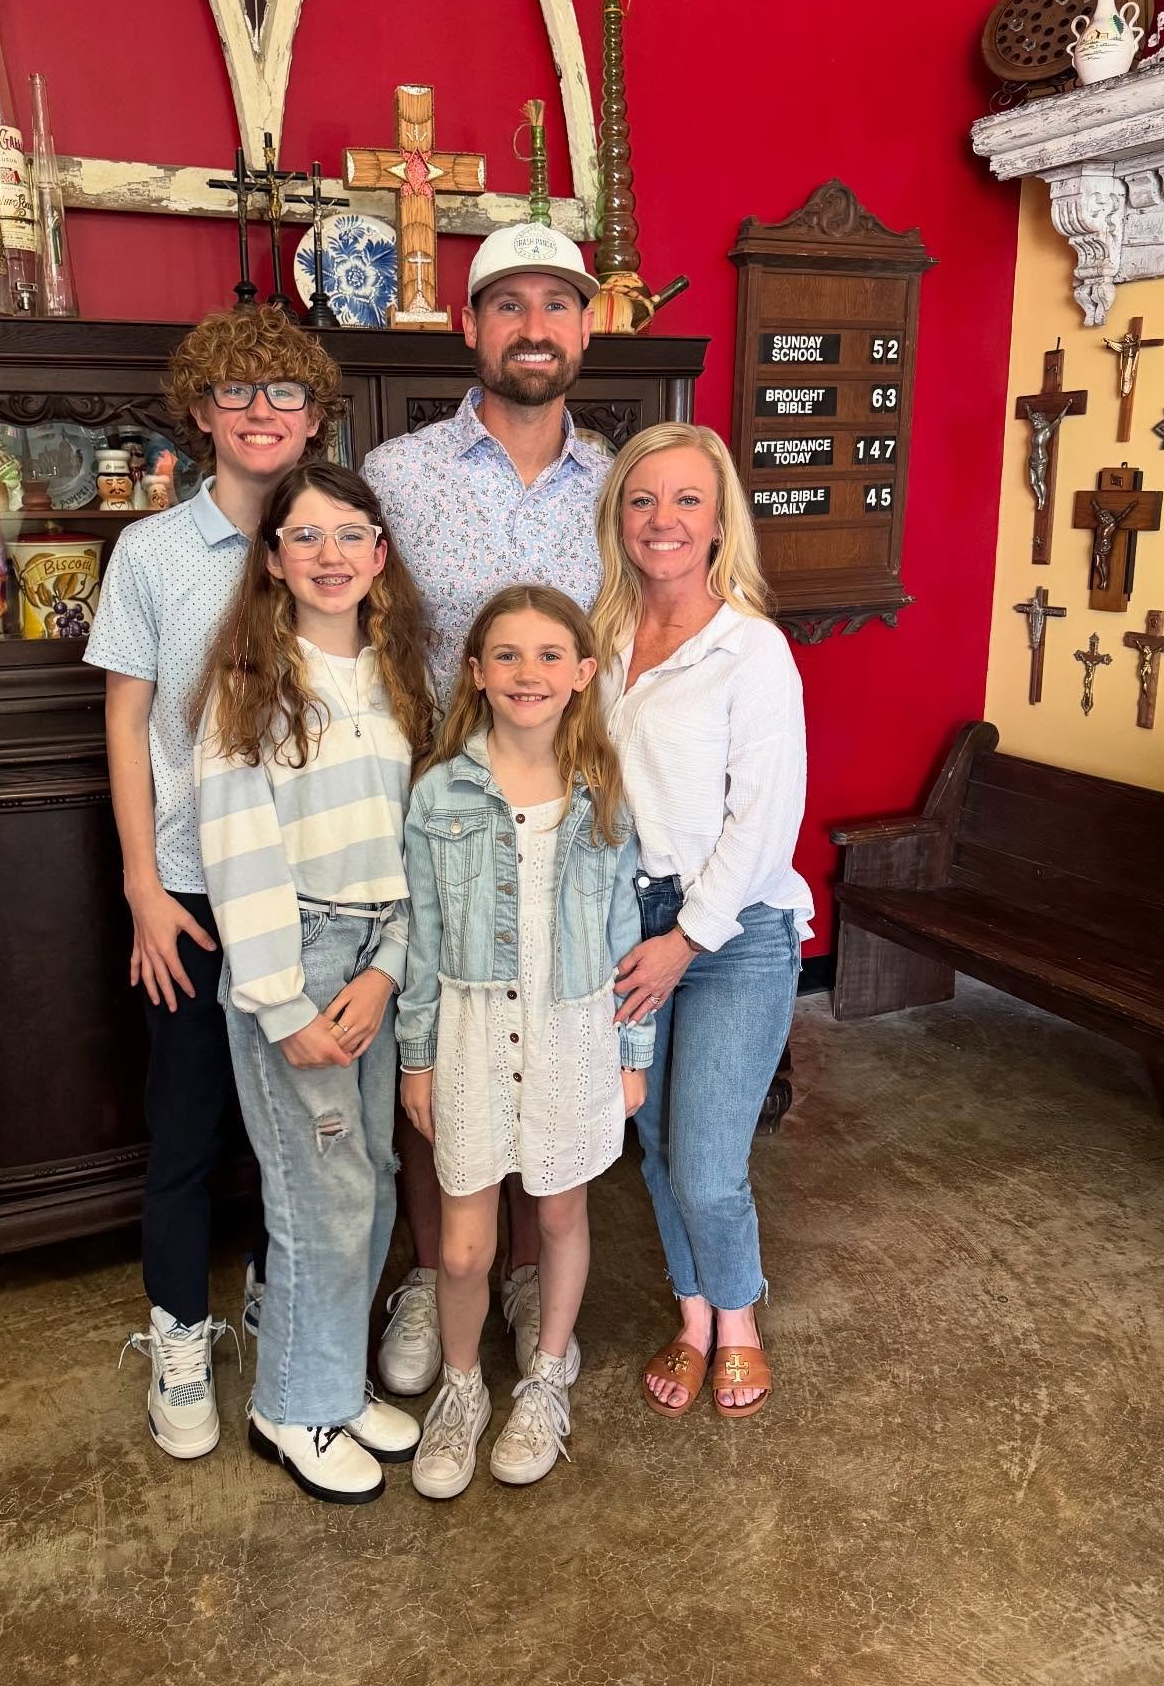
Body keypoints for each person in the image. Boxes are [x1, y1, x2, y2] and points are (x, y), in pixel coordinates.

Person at [87, 306, 341, 1459]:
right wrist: (143, 885)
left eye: (283, 393)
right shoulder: (151, 554)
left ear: (314, 416)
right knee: (187, 1123)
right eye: (235, 393)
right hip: (190, 889)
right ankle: (180, 1335)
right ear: (201, 413)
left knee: (304, 1128)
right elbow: (126, 719)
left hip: (309, 887)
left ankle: (286, 1308)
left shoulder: (331, 545)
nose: (260, 412)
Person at [361, 223, 605, 1398]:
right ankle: (434, 1267)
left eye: (557, 304)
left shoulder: (616, 488)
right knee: (447, 1050)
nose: (534, 327)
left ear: (587, 329)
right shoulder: (398, 476)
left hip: (565, 812)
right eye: (509, 304)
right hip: (436, 808)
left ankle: (516, 1273)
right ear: (470, 326)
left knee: (541, 1040)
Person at [193, 461, 435, 1503]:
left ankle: (332, 1378)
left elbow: (416, 839)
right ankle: (293, 1407)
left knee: (368, 1180)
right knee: (317, 1198)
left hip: (375, 957)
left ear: (380, 555)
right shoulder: (252, 680)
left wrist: (388, 967)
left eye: (349, 535)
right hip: (292, 957)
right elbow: (235, 846)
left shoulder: (399, 676)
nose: (329, 555)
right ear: (274, 560)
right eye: (305, 536)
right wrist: (282, 1002)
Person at [397, 585, 652, 1497]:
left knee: (558, 1215)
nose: (527, 673)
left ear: (583, 674)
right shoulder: (440, 793)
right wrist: (417, 1058)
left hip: (572, 1032)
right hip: (470, 1034)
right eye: (506, 654)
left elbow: (624, 934)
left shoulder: (601, 793)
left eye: (550, 655)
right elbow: (422, 936)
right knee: (465, 1247)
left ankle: (545, 1379)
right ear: (475, 672)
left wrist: (632, 1054)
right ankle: (462, 1387)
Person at [591, 424, 812, 1419]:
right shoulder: (598, 642)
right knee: (654, 1143)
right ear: (618, 518)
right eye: (643, 500)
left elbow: (764, 822)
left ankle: (739, 1321)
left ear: (720, 521)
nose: (663, 520)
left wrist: (685, 940)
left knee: (710, 1166)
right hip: (624, 919)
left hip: (732, 928)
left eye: (687, 499)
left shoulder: (751, 651)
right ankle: (691, 1320)